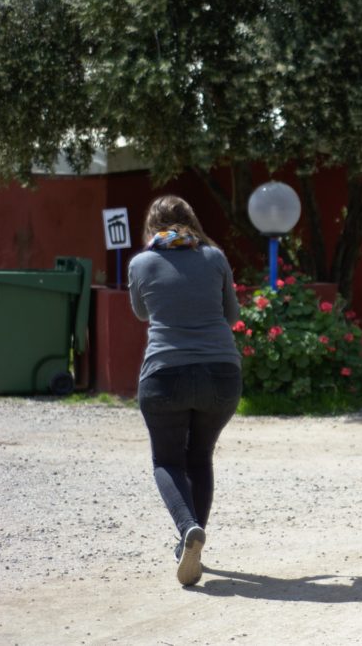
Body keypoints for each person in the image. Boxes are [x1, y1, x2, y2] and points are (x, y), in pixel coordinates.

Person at [128, 195, 242, 587]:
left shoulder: (141, 263)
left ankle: (187, 529)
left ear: (151, 225)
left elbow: (141, 313)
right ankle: (191, 542)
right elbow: (232, 315)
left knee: (167, 461)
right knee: (200, 458)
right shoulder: (214, 257)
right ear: (192, 220)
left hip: (165, 375)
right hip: (221, 374)